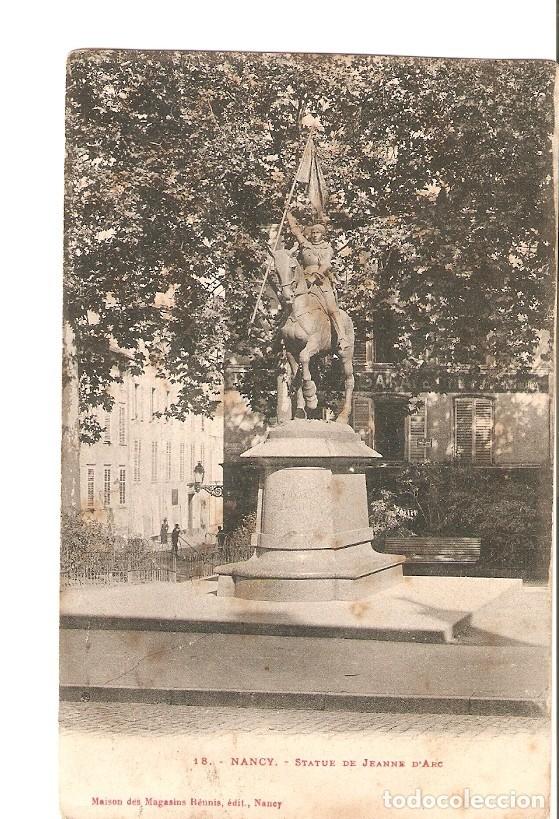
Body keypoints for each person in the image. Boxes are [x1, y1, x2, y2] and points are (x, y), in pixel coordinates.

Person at [285, 211, 349, 350]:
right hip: (303, 281)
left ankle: (343, 337)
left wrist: (315, 277)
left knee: (332, 308)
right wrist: (288, 214)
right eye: (313, 233)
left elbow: (326, 264)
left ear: (322, 234)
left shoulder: (327, 248)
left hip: (321, 282)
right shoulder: (306, 245)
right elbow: (296, 232)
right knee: (290, 303)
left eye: (317, 233)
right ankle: (280, 337)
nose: (314, 235)